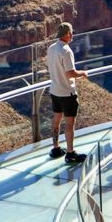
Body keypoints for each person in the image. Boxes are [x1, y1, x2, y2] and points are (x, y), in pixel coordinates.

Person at [45, 23, 89, 164]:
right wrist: (83, 73)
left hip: (55, 90)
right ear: (67, 34)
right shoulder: (66, 51)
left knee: (56, 120)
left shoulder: (51, 48)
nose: (72, 35)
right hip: (67, 93)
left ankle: (56, 148)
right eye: (71, 32)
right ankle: (70, 153)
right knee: (70, 124)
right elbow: (70, 73)